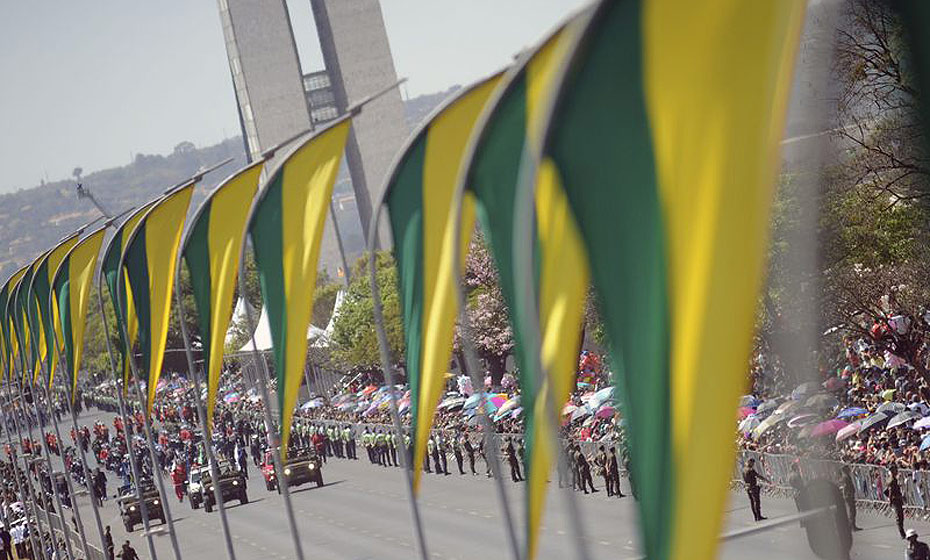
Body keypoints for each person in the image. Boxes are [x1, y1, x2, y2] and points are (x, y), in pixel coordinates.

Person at [838, 465, 861, 532]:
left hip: (849, 495)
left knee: (853, 511)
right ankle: (852, 526)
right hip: (848, 496)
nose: (849, 470)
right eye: (848, 469)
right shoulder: (845, 478)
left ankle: (852, 525)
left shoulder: (846, 477)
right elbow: (845, 487)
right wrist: (846, 495)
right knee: (852, 511)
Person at [886, 465, 906, 539]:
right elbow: (890, 491)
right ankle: (902, 533)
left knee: (901, 516)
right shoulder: (892, 480)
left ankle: (902, 532)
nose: (897, 471)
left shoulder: (893, 479)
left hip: (897, 499)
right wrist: (890, 501)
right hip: (895, 499)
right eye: (895, 470)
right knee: (899, 516)